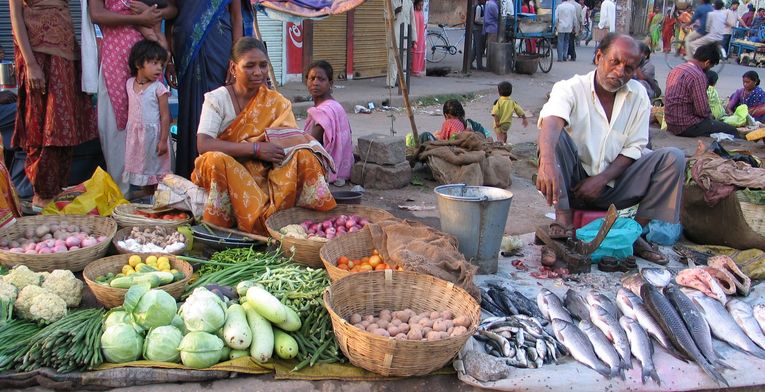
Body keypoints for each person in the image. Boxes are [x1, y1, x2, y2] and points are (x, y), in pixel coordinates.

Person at [536, 33, 684, 264]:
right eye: (614, 62)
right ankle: (563, 220)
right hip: (572, 184)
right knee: (554, 137)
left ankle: (634, 232)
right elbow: (551, 120)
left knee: (673, 158)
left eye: (628, 68)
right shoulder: (570, 88)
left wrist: (602, 179)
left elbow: (636, 146)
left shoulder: (638, 95)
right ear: (598, 57)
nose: (620, 72)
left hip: (614, 184)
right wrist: (546, 163)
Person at [193, 38, 336, 235]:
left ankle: (307, 224)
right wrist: (255, 149)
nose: (258, 72)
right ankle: (222, 229)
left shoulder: (277, 102)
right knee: (213, 159)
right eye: (249, 66)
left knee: (305, 155)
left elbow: (288, 142)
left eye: (263, 65)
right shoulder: (217, 99)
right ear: (233, 68)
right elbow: (204, 144)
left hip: (267, 170)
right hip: (229, 168)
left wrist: (281, 150)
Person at [10, 0, 98, 209]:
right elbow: (16, 17)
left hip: (66, 54)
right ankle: (42, 195)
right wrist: (30, 64)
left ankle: (56, 189)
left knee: (64, 126)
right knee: (41, 127)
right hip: (39, 56)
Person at [89, 0, 177, 196]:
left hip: (150, 57)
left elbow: (172, 8)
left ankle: (157, 191)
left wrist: (152, 14)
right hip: (115, 56)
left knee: (153, 117)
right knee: (116, 124)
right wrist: (138, 18)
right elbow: (96, 13)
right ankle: (122, 194)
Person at [167, 1, 253, 180]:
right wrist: (168, 59)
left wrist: (235, 58)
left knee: (222, 108)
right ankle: (190, 174)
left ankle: (223, 177)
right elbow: (170, 16)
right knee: (191, 109)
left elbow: (237, 17)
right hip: (185, 49)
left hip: (220, 50)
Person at [124, 40, 171, 196]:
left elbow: (165, 117)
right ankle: (146, 199)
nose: (159, 68)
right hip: (137, 139)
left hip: (154, 138)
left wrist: (163, 141)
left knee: (156, 172)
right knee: (143, 172)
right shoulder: (129, 83)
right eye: (154, 63)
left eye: (161, 64)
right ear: (139, 64)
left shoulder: (159, 88)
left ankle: (157, 200)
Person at [664, 42, 738, 137]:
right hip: (686, 125)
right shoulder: (698, 76)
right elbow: (702, 110)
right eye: (711, 66)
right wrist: (711, 118)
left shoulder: (677, 69)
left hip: (670, 122)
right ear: (707, 62)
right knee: (731, 130)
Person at [303, 60, 354, 186]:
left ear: (330, 83)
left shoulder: (325, 111)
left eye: (321, 79)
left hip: (327, 169)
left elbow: (310, 143)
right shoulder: (334, 105)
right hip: (343, 168)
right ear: (307, 82)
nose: (315, 83)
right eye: (312, 78)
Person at [385, 0, 416, 88]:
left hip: (406, 35)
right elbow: (385, 17)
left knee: (404, 63)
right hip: (394, 36)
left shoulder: (409, 2)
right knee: (392, 62)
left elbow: (412, 21)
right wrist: (395, 12)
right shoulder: (390, 2)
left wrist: (414, 39)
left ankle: (402, 83)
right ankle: (390, 83)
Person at [411, 0, 426, 76]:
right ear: (415, 5)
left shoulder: (421, 13)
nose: (421, 7)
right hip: (416, 35)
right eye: (419, 5)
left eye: (422, 5)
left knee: (420, 52)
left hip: (421, 36)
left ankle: (418, 69)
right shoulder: (414, 13)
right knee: (415, 53)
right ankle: (414, 70)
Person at [471, 0, 486, 70]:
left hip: (477, 29)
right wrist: (484, 21)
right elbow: (477, 20)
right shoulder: (478, 7)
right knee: (478, 47)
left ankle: (469, 63)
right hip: (477, 29)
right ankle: (479, 65)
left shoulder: (480, 6)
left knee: (475, 47)